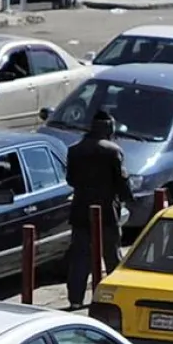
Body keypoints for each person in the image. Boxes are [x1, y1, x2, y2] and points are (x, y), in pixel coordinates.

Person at [65, 110, 133, 309]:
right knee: (112, 255)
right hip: (107, 210)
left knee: (80, 257)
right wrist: (129, 198)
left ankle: (75, 299)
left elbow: (71, 179)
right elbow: (122, 181)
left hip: (80, 210)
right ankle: (115, 296)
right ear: (109, 128)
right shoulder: (113, 151)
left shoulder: (75, 150)